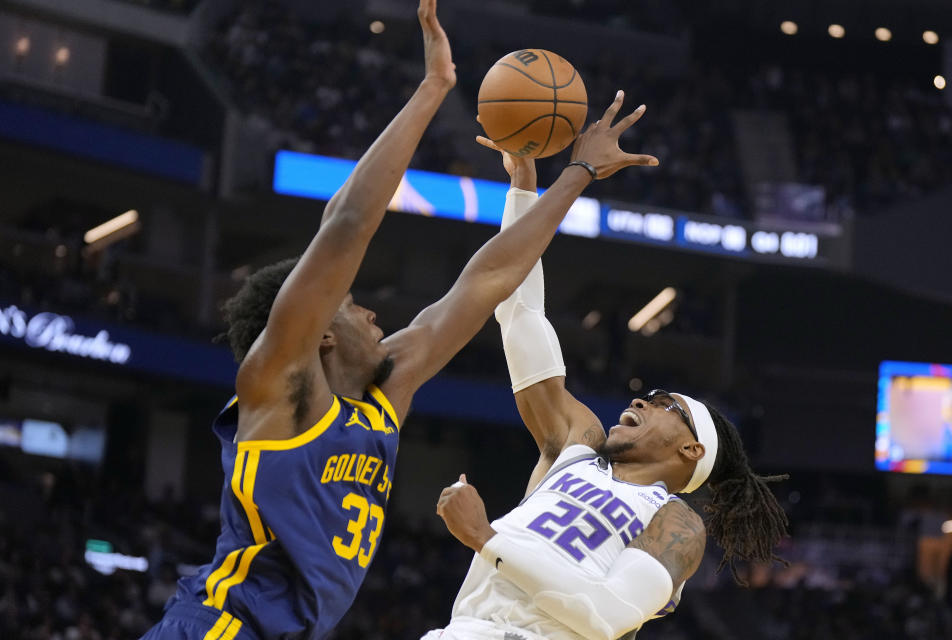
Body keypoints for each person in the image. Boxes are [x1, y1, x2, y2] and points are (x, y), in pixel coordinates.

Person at [140, 2, 660, 638]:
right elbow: (348, 224)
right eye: (353, 304)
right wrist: (434, 88)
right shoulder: (278, 386)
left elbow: (490, 279)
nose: (372, 310)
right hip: (222, 628)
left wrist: (571, 174)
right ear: (318, 333)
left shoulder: (390, 387)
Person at [430, 141, 789, 640]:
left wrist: (485, 538)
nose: (641, 400)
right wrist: (522, 191)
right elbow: (520, 313)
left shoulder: (678, 524)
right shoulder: (576, 445)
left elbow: (608, 615)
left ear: (692, 448)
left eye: (666, 405)